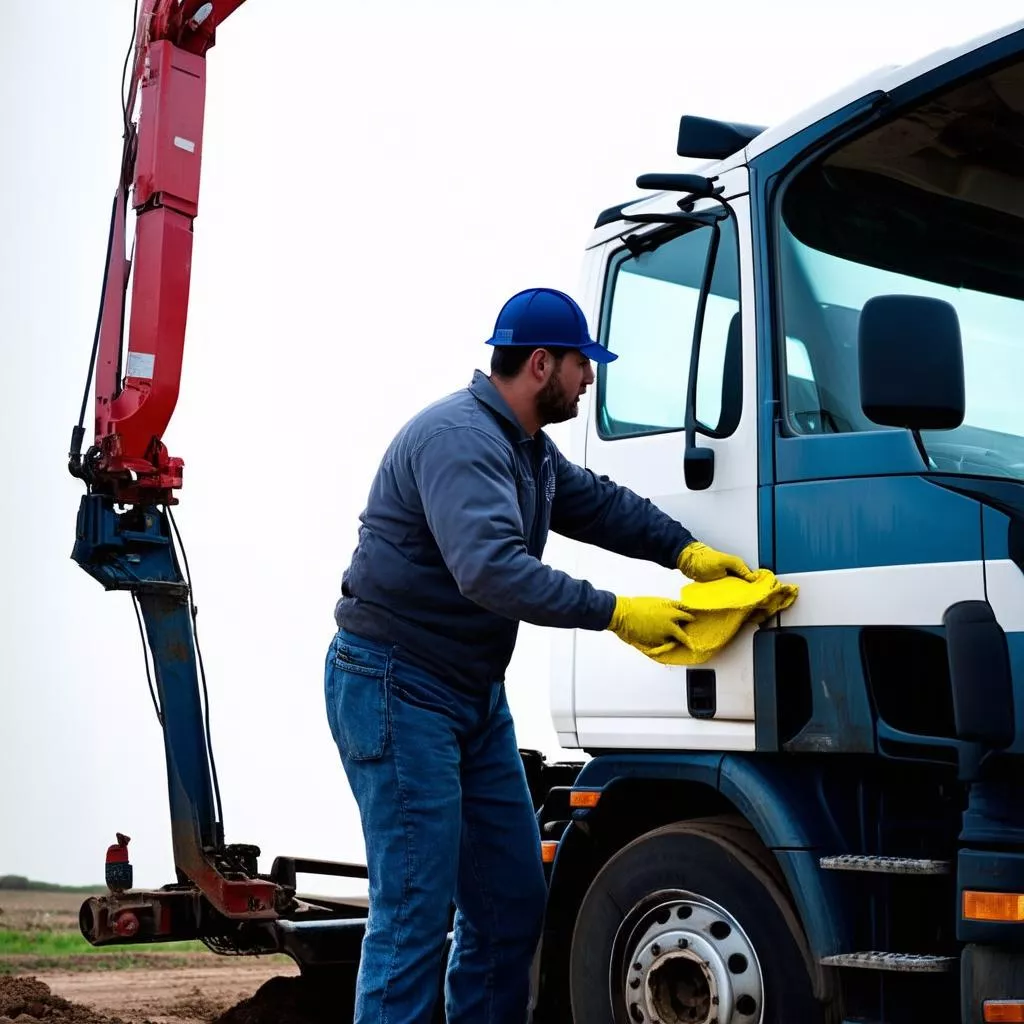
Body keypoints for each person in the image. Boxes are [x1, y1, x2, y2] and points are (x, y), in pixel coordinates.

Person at [324, 286, 757, 1024]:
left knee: (511, 902)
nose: (589, 380)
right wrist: (616, 613)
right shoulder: (459, 440)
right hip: (397, 685)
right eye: (582, 364)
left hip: (470, 693)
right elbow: (491, 570)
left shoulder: (528, 451)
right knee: (415, 910)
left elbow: (601, 505)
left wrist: (686, 553)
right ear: (540, 364)